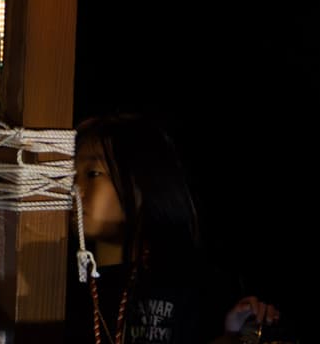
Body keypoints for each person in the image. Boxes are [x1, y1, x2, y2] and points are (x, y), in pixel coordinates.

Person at [70, 114, 281, 344]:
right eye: (70, 175)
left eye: (93, 174)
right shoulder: (58, 286)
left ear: (142, 182)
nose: (74, 189)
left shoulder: (192, 285)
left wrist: (231, 336)